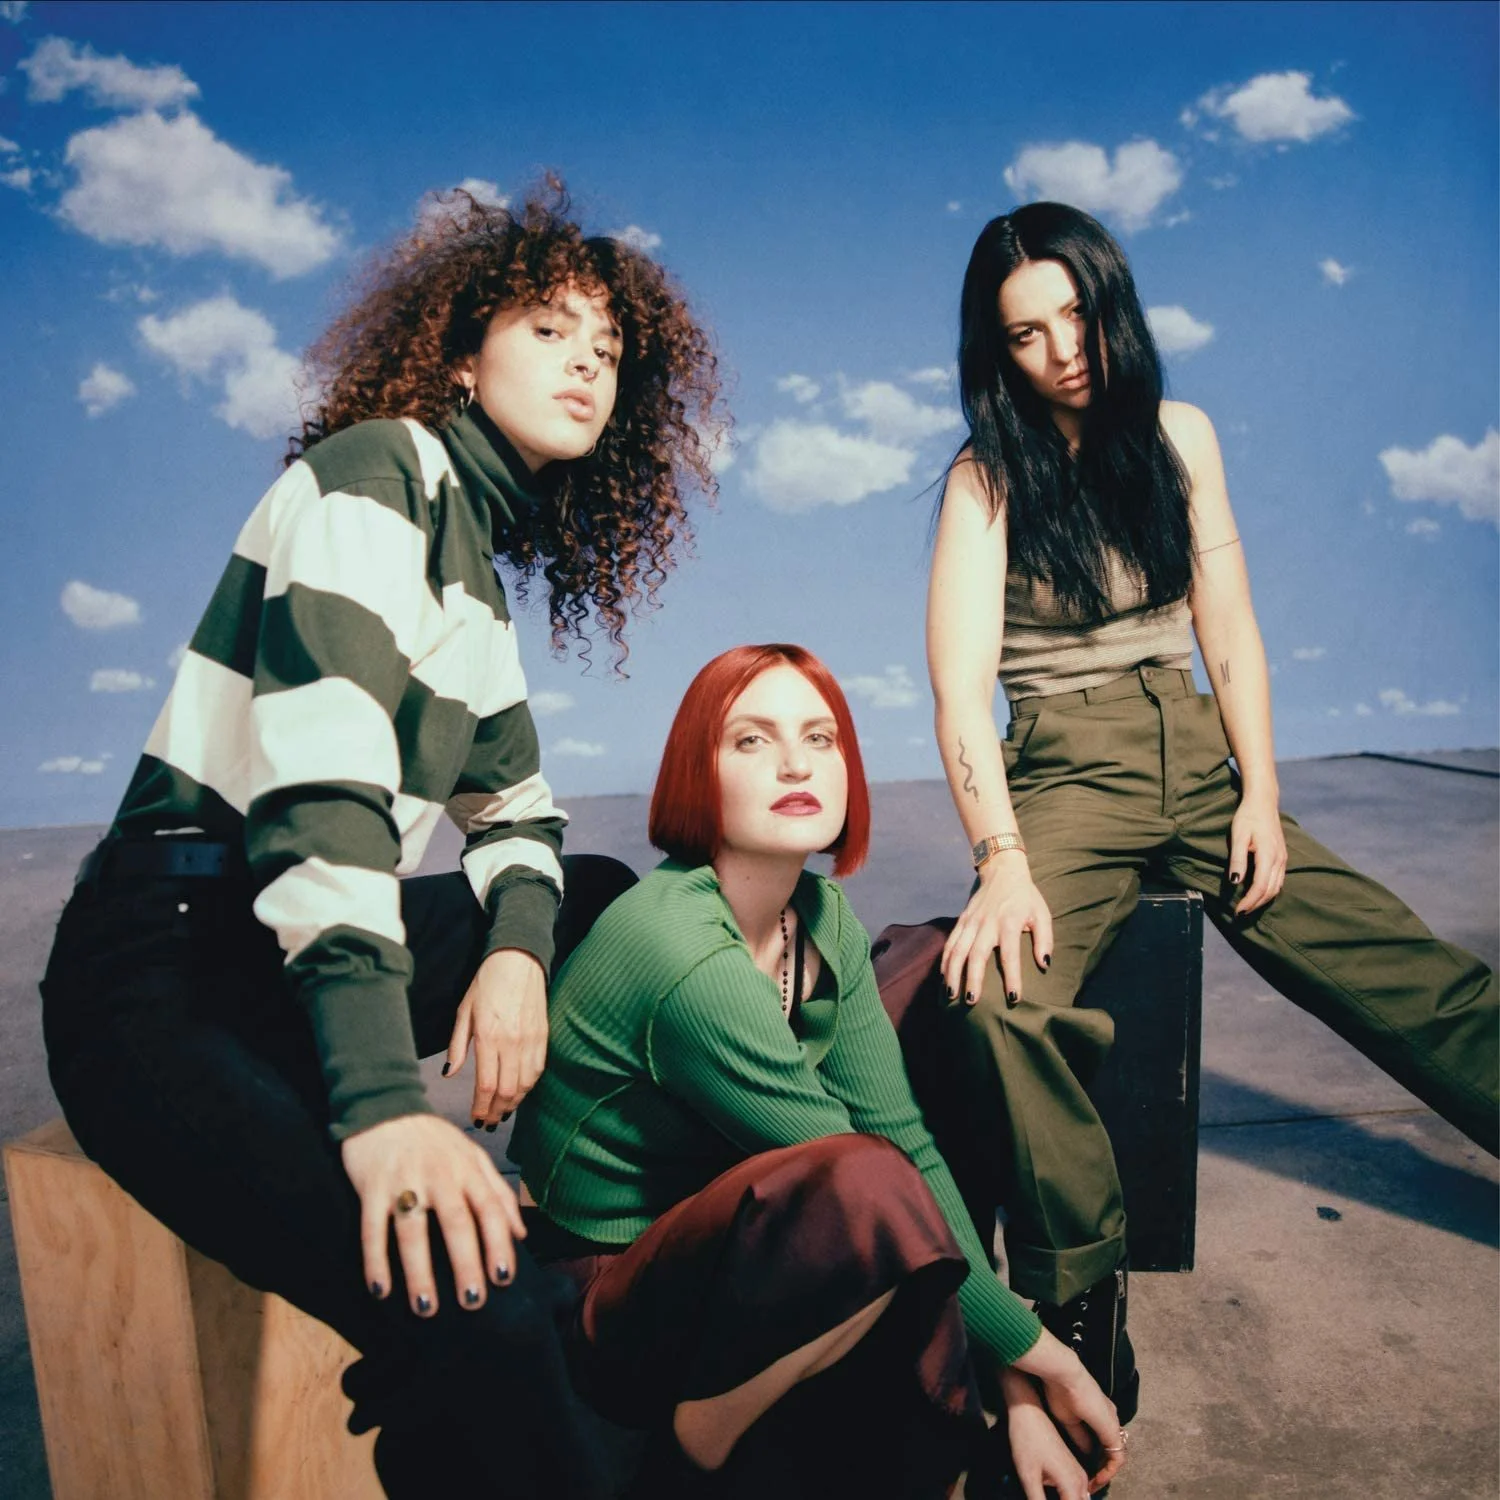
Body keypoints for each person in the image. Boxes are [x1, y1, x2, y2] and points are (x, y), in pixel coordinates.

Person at [40, 181, 719, 1498]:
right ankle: (503, 1340)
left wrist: (515, 954)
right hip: (165, 974)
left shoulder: (474, 573)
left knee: (590, 893)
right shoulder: (375, 479)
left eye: (608, 348)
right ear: (461, 352)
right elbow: (323, 806)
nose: (588, 362)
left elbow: (521, 817)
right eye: (549, 329)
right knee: (473, 1308)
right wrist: (383, 1112)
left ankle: (591, 1215)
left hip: (287, 949)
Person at [924, 200, 1499, 1418]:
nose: (1062, 350)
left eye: (1075, 313)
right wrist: (1002, 860)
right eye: (1025, 333)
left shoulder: (1180, 434)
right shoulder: (985, 478)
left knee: (1389, 956)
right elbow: (960, 689)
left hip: (1196, 746)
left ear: (1111, 302)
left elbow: (1227, 629)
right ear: (996, 352)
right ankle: (1082, 1291)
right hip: (1066, 769)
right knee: (994, 1003)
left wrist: (1262, 793)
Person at [509, 644, 1128, 1500]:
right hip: (608, 1293)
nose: (796, 763)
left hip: (726, 1227)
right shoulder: (682, 953)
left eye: (820, 738)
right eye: (751, 740)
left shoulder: (817, 913)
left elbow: (904, 1138)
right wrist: (1044, 1363)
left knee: (936, 973)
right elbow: (876, 1191)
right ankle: (691, 1452)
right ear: (697, 773)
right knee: (868, 1191)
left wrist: (1016, 1388)